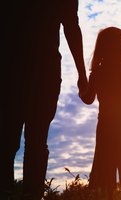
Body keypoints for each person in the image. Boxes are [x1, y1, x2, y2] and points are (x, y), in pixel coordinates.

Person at [0, 1, 87, 199]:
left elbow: (72, 27)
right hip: (34, 72)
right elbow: (72, 27)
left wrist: (82, 74)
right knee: (29, 142)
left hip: (20, 71)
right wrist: (82, 75)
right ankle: (28, 193)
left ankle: (16, 192)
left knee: (10, 140)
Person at [80, 26, 121, 200]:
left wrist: (81, 88)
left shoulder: (97, 74)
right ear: (114, 48)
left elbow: (88, 99)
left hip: (106, 127)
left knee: (105, 173)